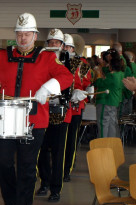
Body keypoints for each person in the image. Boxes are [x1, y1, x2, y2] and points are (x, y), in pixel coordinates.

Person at [0, 13, 72, 205]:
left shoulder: (47, 56)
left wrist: (47, 87)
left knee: (28, 167)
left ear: (35, 35)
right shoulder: (2, 55)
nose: (22, 38)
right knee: (2, 162)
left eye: (27, 34)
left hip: (34, 120)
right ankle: (10, 202)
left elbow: (67, 76)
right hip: (5, 119)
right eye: (19, 34)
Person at [36, 28, 78, 203]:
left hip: (60, 112)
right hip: (42, 111)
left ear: (62, 45)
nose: (53, 45)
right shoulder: (40, 60)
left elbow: (72, 82)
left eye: (57, 43)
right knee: (41, 150)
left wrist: (77, 92)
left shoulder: (70, 62)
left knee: (58, 152)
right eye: (50, 42)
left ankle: (55, 188)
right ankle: (44, 182)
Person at [62, 33, 92, 183]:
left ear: (74, 48)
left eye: (68, 46)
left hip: (75, 107)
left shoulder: (83, 65)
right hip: (58, 108)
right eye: (64, 46)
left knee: (71, 140)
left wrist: (83, 95)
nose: (65, 49)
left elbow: (88, 87)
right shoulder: (58, 61)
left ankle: (67, 169)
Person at [95, 49, 123, 138]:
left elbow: (99, 83)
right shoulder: (120, 74)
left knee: (103, 123)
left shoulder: (112, 75)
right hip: (114, 101)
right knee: (112, 123)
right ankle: (111, 144)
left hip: (106, 101)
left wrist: (98, 74)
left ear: (111, 66)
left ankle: (103, 144)